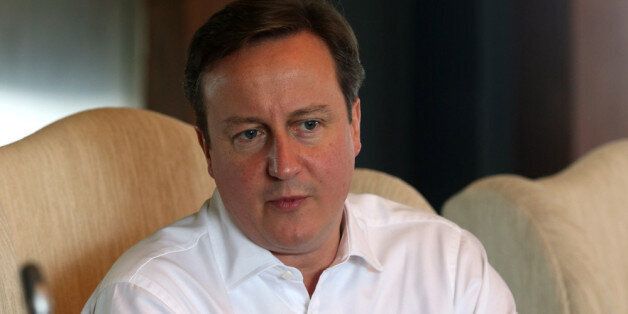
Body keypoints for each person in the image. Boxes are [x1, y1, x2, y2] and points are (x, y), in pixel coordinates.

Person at [83, 0, 516, 312]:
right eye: (250, 134)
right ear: (208, 150)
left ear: (354, 125)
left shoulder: (447, 264)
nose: (284, 166)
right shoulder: (148, 296)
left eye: (308, 125)